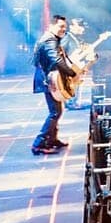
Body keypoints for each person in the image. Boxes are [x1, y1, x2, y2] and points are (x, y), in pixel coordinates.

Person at [31, 14, 75, 155]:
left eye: (65, 27)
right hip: (48, 80)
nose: (63, 29)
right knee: (55, 112)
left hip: (48, 79)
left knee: (57, 110)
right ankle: (38, 143)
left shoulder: (50, 38)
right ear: (51, 26)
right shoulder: (50, 40)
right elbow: (56, 59)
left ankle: (52, 139)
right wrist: (71, 72)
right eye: (61, 26)